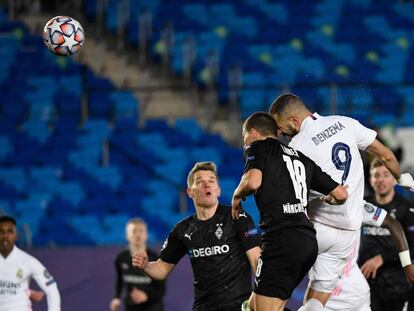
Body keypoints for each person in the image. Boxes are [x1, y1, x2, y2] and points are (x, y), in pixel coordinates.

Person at [269, 93, 414, 310]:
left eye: (280, 126)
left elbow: (286, 196)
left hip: (314, 230)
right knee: (317, 296)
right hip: (346, 234)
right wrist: (400, 177)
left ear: (294, 121)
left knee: (273, 289)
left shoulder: (295, 149)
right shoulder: (345, 123)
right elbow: (386, 155)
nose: (280, 132)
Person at [231, 112, 348, 311]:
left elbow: (253, 181)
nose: (245, 145)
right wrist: (325, 199)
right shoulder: (302, 158)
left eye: (245, 140)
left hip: (281, 239)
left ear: (252, 133)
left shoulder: (258, 146)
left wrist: (236, 196)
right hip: (307, 242)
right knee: (254, 306)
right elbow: (341, 195)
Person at [132, 161, 262, 311]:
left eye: (211, 181)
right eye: (200, 182)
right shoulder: (183, 230)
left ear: (218, 190)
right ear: (190, 192)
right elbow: (161, 269)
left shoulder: (237, 217)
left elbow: (257, 261)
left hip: (237, 307)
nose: (207, 185)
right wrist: (146, 266)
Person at [325, 199, 414, 311]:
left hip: (395, 284)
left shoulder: (405, 207)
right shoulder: (361, 201)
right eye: (375, 179)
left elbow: (394, 225)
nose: (380, 180)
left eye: (386, 179)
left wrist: (388, 259)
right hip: (363, 280)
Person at [358, 159, 414, 311]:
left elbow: (413, 246)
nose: (381, 179)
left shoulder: (407, 209)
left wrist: (383, 257)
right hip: (365, 283)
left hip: (396, 284)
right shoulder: (362, 205)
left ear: (395, 180)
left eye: (386, 175)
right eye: (376, 175)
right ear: (370, 180)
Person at [0, 215, 61, 311]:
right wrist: (29, 292)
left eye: (10, 232)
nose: (5, 236)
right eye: (1, 232)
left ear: (16, 236)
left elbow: (52, 289)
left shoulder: (28, 261)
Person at [110, 218, 165, 311]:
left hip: (153, 307)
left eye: (141, 230)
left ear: (146, 234)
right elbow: (120, 280)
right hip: (131, 307)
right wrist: (116, 298)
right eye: (134, 231)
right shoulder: (121, 258)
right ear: (127, 235)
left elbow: (161, 289)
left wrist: (146, 296)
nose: (138, 234)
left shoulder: (155, 258)